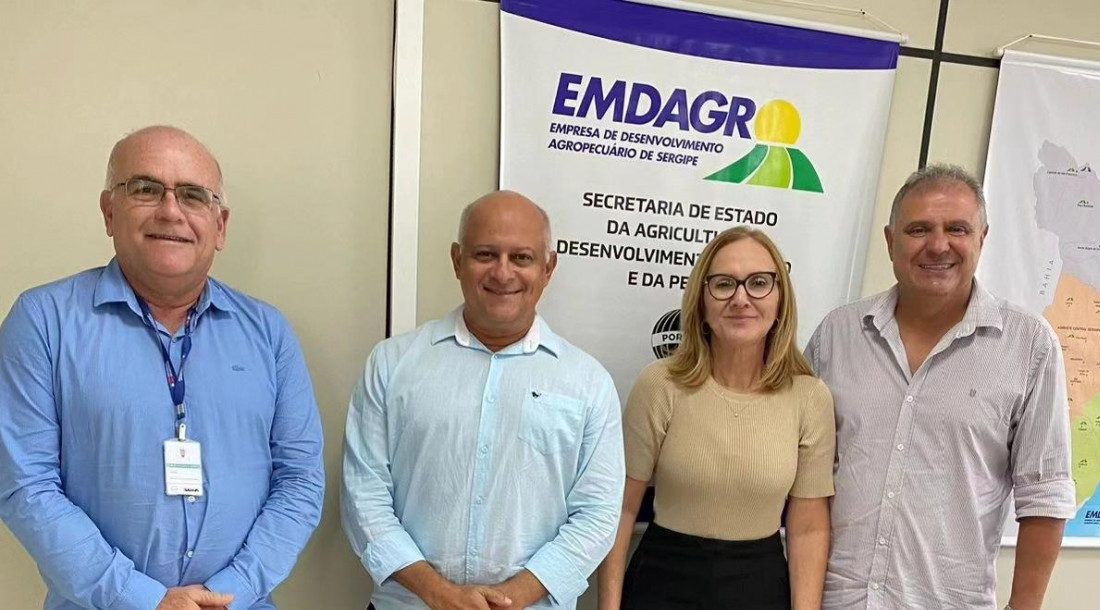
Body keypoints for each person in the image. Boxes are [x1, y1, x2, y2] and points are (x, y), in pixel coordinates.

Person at [0, 126, 325, 610]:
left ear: (220, 225)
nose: (171, 211)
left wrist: (229, 592)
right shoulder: (42, 322)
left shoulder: (269, 333)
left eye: (193, 195)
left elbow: (300, 481)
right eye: (146, 188)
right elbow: (25, 485)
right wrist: (141, 599)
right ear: (109, 212)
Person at [806, 164, 1075, 610]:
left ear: (981, 239)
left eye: (957, 229)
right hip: (836, 601)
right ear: (890, 241)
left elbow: (1044, 496)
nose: (937, 245)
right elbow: (804, 480)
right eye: (918, 229)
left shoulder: (1029, 346)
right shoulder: (837, 335)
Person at [341, 190, 624, 610]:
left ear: (549, 268)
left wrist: (509, 600)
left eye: (522, 257)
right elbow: (363, 495)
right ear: (457, 260)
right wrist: (440, 594)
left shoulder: (588, 383)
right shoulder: (392, 364)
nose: (503, 273)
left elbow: (597, 515)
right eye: (485, 254)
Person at [597, 226, 835, 610]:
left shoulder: (809, 398)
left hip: (759, 588)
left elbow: (808, 528)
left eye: (759, 283)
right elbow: (621, 509)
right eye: (724, 284)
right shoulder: (659, 385)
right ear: (701, 302)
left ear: (780, 301)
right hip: (662, 583)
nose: (741, 298)